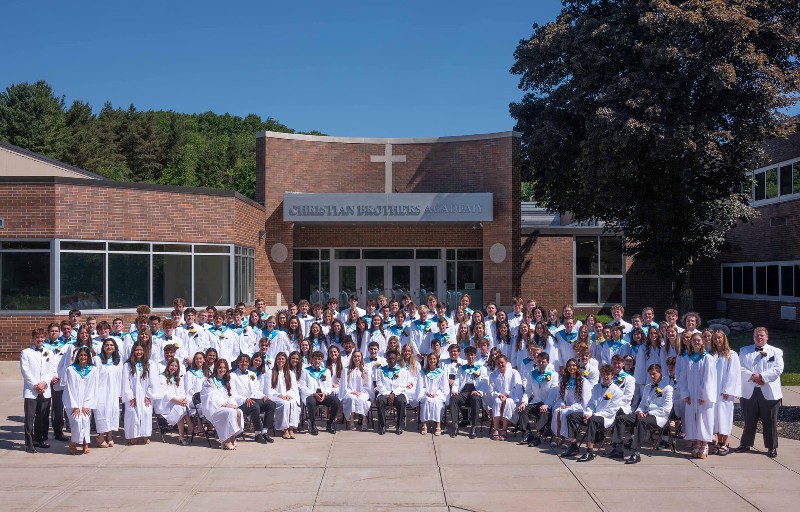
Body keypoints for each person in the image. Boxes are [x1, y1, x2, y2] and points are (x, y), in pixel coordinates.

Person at [610, 363, 674, 464]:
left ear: (660, 373)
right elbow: (643, 403)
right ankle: (618, 448)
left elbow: (666, 409)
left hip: (659, 417)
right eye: (650, 374)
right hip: (645, 414)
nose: (652, 377)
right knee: (621, 418)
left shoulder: (667, 388)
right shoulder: (648, 387)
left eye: (654, 374)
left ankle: (635, 452)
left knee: (642, 422)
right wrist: (639, 411)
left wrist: (649, 413)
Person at [737, 327, 784, 458]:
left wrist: (762, 377)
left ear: (767, 337)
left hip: (769, 392)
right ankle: (745, 444)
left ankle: (771, 447)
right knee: (748, 420)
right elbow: (739, 367)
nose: (759, 338)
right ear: (753, 337)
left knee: (770, 421)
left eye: (762, 335)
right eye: (757, 336)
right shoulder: (744, 351)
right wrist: (754, 376)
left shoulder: (776, 351)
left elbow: (778, 369)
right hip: (749, 390)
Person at [563, 364, 625, 461]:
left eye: (608, 374)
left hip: (606, 418)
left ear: (612, 375)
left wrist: (593, 415)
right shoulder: (596, 387)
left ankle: (589, 451)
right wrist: (588, 413)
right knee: (571, 416)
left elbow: (611, 411)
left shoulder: (617, 391)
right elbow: (591, 403)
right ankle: (573, 445)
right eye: (603, 374)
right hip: (593, 415)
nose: (606, 376)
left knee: (593, 420)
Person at [679, 332, 717, 458]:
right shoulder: (687, 358)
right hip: (690, 394)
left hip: (703, 396)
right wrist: (685, 393)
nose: (696, 342)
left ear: (702, 341)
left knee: (704, 418)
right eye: (694, 340)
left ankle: (704, 443)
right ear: (690, 342)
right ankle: (696, 441)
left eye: (698, 340)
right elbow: (682, 377)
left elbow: (709, 379)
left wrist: (703, 395)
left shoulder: (707, 358)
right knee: (693, 419)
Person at [230, 353, 276, 443]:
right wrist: (245, 399)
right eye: (242, 361)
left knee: (271, 404)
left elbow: (256, 390)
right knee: (255, 406)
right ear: (238, 362)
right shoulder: (232, 375)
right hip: (241, 402)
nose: (244, 363)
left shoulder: (252, 374)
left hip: (253, 399)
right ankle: (257, 434)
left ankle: (264, 432)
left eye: (246, 361)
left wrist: (264, 396)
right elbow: (233, 393)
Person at [122, 342, 161, 445]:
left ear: (145, 351)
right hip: (132, 395)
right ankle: (133, 435)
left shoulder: (150, 364)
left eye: (141, 350)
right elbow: (126, 382)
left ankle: (145, 435)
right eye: (137, 350)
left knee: (146, 413)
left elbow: (153, 381)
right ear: (133, 351)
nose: (139, 352)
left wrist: (148, 395)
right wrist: (130, 396)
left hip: (145, 395)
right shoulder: (128, 365)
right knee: (132, 413)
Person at [201, 358, 244, 450]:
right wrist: (227, 405)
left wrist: (233, 405)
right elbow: (212, 399)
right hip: (213, 408)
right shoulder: (209, 381)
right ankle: (226, 440)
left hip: (225, 407)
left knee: (239, 412)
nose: (222, 370)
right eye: (220, 367)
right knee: (230, 412)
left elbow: (231, 396)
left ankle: (232, 436)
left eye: (224, 368)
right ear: (216, 368)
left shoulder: (227, 381)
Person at [710, 330, 741, 455]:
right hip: (713, 391)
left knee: (725, 416)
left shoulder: (731, 355)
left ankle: (725, 442)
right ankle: (718, 441)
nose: (717, 340)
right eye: (715, 338)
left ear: (724, 339)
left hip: (725, 392)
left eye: (719, 338)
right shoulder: (712, 354)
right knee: (716, 417)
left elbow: (733, 374)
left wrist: (728, 390)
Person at [63, 346, 97, 455]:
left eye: (85, 355)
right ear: (77, 356)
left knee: (86, 420)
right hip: (73, 403)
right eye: (81, 355)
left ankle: (85, 443)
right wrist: (75, 406)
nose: (83, 357)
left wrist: (86, 405)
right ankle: (73, 443)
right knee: (77, 421)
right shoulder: (71, 369)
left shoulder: (93, 370)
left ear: (89, 357)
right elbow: (68, 389)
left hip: (86, 403)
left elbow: (93, 388)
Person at [520, 351, 559, 446]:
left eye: (543, 362)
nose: (541, 364)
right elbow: (528, 391)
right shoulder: (532, 374)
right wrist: (524, 402)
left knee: (544, 412)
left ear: (548, 362)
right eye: (539, 361)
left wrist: (547, 404)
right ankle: (528, 433)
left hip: (548, 403)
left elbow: (553, 392)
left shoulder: (553, 374)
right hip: (536, 401)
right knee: (522, 410)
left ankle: (538, 436)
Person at [299, 351, 341, 435]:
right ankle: (313, 425)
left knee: (336, 401)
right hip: (311, 395)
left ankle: (330, 424)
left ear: (322, 360)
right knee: (310, 402)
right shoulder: (305, 371)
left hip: (323, 395)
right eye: (315, 359)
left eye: (319, 359)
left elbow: (329, 385)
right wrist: (313, 393)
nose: (317, 361)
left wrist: (325, 393)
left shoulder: (326, 371)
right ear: (311, 360)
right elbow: (303, 387)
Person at [449, 346, 487, 438]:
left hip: (475, 392)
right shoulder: (462, 368)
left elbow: (485, 383)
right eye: (468, 355)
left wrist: (480, 392)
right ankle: (455, 425)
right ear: (465, 356)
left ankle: (473, 427)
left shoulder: (481, 368)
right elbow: (457, 381)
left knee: (476, 399)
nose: (470, 357)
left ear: (475, 356)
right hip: (464, 392)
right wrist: (454, 391)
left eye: (472, 355)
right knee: (453, 398)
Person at [551, 358, 588, 447]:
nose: (572, 367)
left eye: (574, 365)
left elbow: (586, 400)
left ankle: (568, 438)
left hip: (578, 407)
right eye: (569, 365)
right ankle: (558, 436)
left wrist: (571, 407)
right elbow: (560, 397)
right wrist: (562, 404)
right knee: (557, 411)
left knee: (565, 413)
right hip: (565, 405)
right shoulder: (564, 380)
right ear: (567, 368)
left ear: (577, 367)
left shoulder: (583, 381)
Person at [93, 338, 123, 448]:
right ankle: (100, 436)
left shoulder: (118, 360)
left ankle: (110, 436)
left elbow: (120, 377)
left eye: (111, 345)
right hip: (101, 390)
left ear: (115, 347)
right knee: (101, 412)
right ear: (103, 347)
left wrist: (120, 393)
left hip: (113, 391)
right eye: (107, 345)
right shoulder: (97, 359)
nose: (109, 347)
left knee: (113, 412)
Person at [488, 354, 524, 441]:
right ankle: (496, 429)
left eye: (502, 362)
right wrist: (499, 395)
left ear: (506, 362)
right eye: (498, 363)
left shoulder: (514, 373)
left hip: (512, 397)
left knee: (508, 402)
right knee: (497, 401)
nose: (500, 364)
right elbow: (491, 390)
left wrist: (507, 395)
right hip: (499, 397)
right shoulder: (493, 375)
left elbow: (517, 388)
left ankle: (504, 429)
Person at [375, 349, 411, 435]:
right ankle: (382, 425)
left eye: (393, 358)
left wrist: (393, 393)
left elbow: (403, 385)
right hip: (384, 393)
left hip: (398, 393)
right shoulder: (381, 370)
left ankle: (399, 425)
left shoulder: (402, 371)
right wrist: (388, 394)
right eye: (389, 358)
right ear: (387, 360)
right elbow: (379, 384)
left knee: (401, 401)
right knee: (380, 400)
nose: (391, 360)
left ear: (396, 359)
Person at [157, 357, 191, 445]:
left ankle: (182, 435)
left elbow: (182, 391)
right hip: (165, 404)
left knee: (182, 406)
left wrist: (182, 399)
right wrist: (179, 401)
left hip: (176, 401)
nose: (173, 367)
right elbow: (165, 394)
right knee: (180, 407)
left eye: (176, 366)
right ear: (168, 366)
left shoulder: (177, 377)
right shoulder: (161, 377)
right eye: (172, 365)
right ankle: (188, 427)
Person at [267, 352, 300, 439]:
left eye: (283, 359)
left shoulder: (290, 373)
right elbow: (268, 389)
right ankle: (284, 428)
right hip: (275, 397)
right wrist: (279, 395)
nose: (281, 360)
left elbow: (294, 388)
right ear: (276, 360)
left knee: (292, 403)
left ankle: (291, 428)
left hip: (288, 396)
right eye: (279, 359)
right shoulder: (270, 373)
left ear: (286, 361)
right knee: (284, 404)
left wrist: (289, 395)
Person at [340, 350, 373, 431]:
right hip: (350, 392)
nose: (356, 358)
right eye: (354, 356)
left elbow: (368, 384)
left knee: (362, 399)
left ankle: (364, 420)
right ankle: (351, 421)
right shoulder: (346, 370)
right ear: (352, 358)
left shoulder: (366, 369)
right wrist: (352, 392)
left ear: (361, 357)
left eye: (358, 356)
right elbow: (344, 385)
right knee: (352, 399)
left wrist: (362, 392)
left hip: (363, 392)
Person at [417, 353, 449, 436]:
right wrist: (426, 392)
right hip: (425, 393)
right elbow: (421, 386)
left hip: (438, 394)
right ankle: (424, 424)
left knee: (436, 401)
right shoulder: (423, 372)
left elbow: (443, 387)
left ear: (437, 360)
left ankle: (438, 425)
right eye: (430, 359)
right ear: (427, 360)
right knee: (426, 401)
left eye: (434, 359)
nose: (432, 360)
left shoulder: (441, 372)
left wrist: (436, 394)